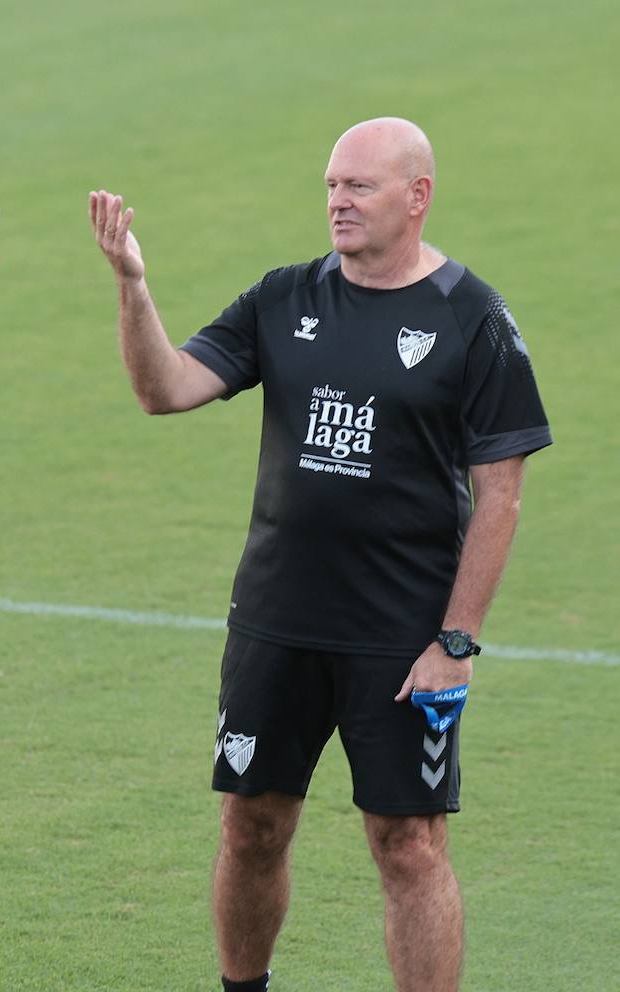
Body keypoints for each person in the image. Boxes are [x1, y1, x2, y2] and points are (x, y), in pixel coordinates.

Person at [89, 117, 551, 992]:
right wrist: (133, 285)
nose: (337, 200)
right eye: (331, 185)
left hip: (401, 637)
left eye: (359, 186)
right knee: (251, 825)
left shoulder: (473, 319)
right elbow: (165, 390)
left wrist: (455, 643)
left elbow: (502, 493)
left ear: (417, 197)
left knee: (408, 845)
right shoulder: (285, 297)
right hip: (276, 622)